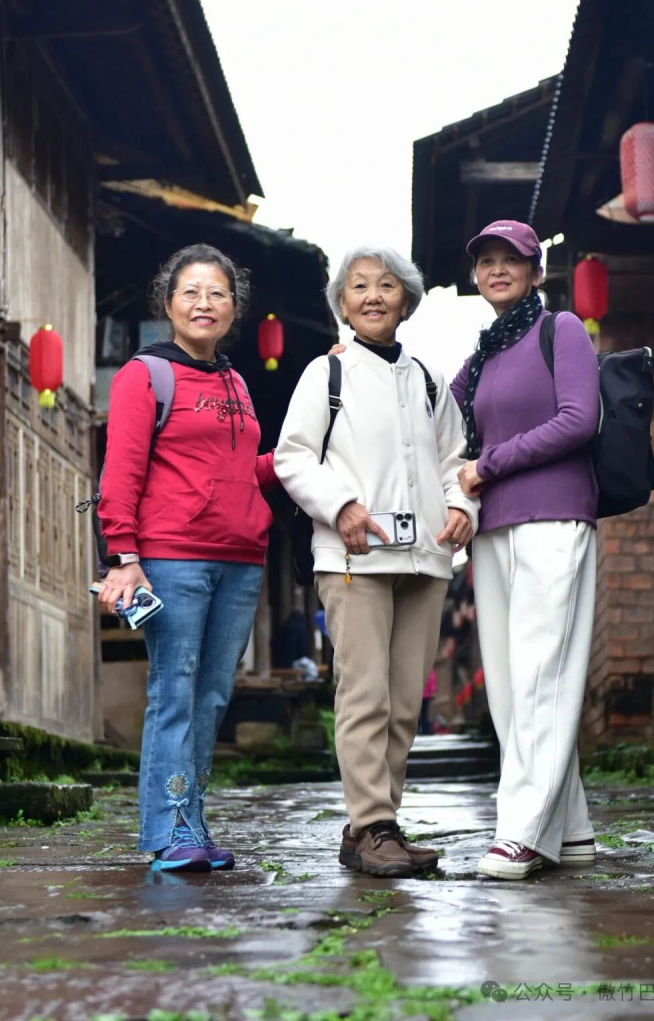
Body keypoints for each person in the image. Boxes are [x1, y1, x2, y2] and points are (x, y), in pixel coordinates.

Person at [274, 246, 479, 877]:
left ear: (406, 301)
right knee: (364, 693)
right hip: (354, 554)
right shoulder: (326, 374)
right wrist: (340, 507)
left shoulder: (428, 379)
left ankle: (376, 824)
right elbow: (292, 456)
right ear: (342, 302)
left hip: (425, 558)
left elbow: (455, 460)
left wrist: (460, 507)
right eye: (359, 286)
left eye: (386, 285)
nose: (373, 296)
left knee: (402, 702)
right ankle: (372, 825)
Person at [96, 243, 276, 873]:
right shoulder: (145, 374)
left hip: (241, 558)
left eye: (218, 293)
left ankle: (192, 822)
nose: (205, 303)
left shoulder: (236, 383)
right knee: (175, 689)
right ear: (169, 304)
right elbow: (122, 469)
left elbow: (241, 470)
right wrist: (124, 555)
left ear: (234, 307)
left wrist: (295, 456)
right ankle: (169, 829)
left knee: (213, 696)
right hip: (173, 557)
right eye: (191, 292)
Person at [451, 220, 599, 880]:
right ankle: (571, 829)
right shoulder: (484, 352)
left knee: (543, 674)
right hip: (494, 531)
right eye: (485, 260)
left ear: (536, 271)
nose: (497, 269)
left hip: (554, 516)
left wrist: (489, 464)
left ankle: (521, 834)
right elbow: (438, 411)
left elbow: (578, 419)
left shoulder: (560, 330)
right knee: (513, 689)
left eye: (510, 259)